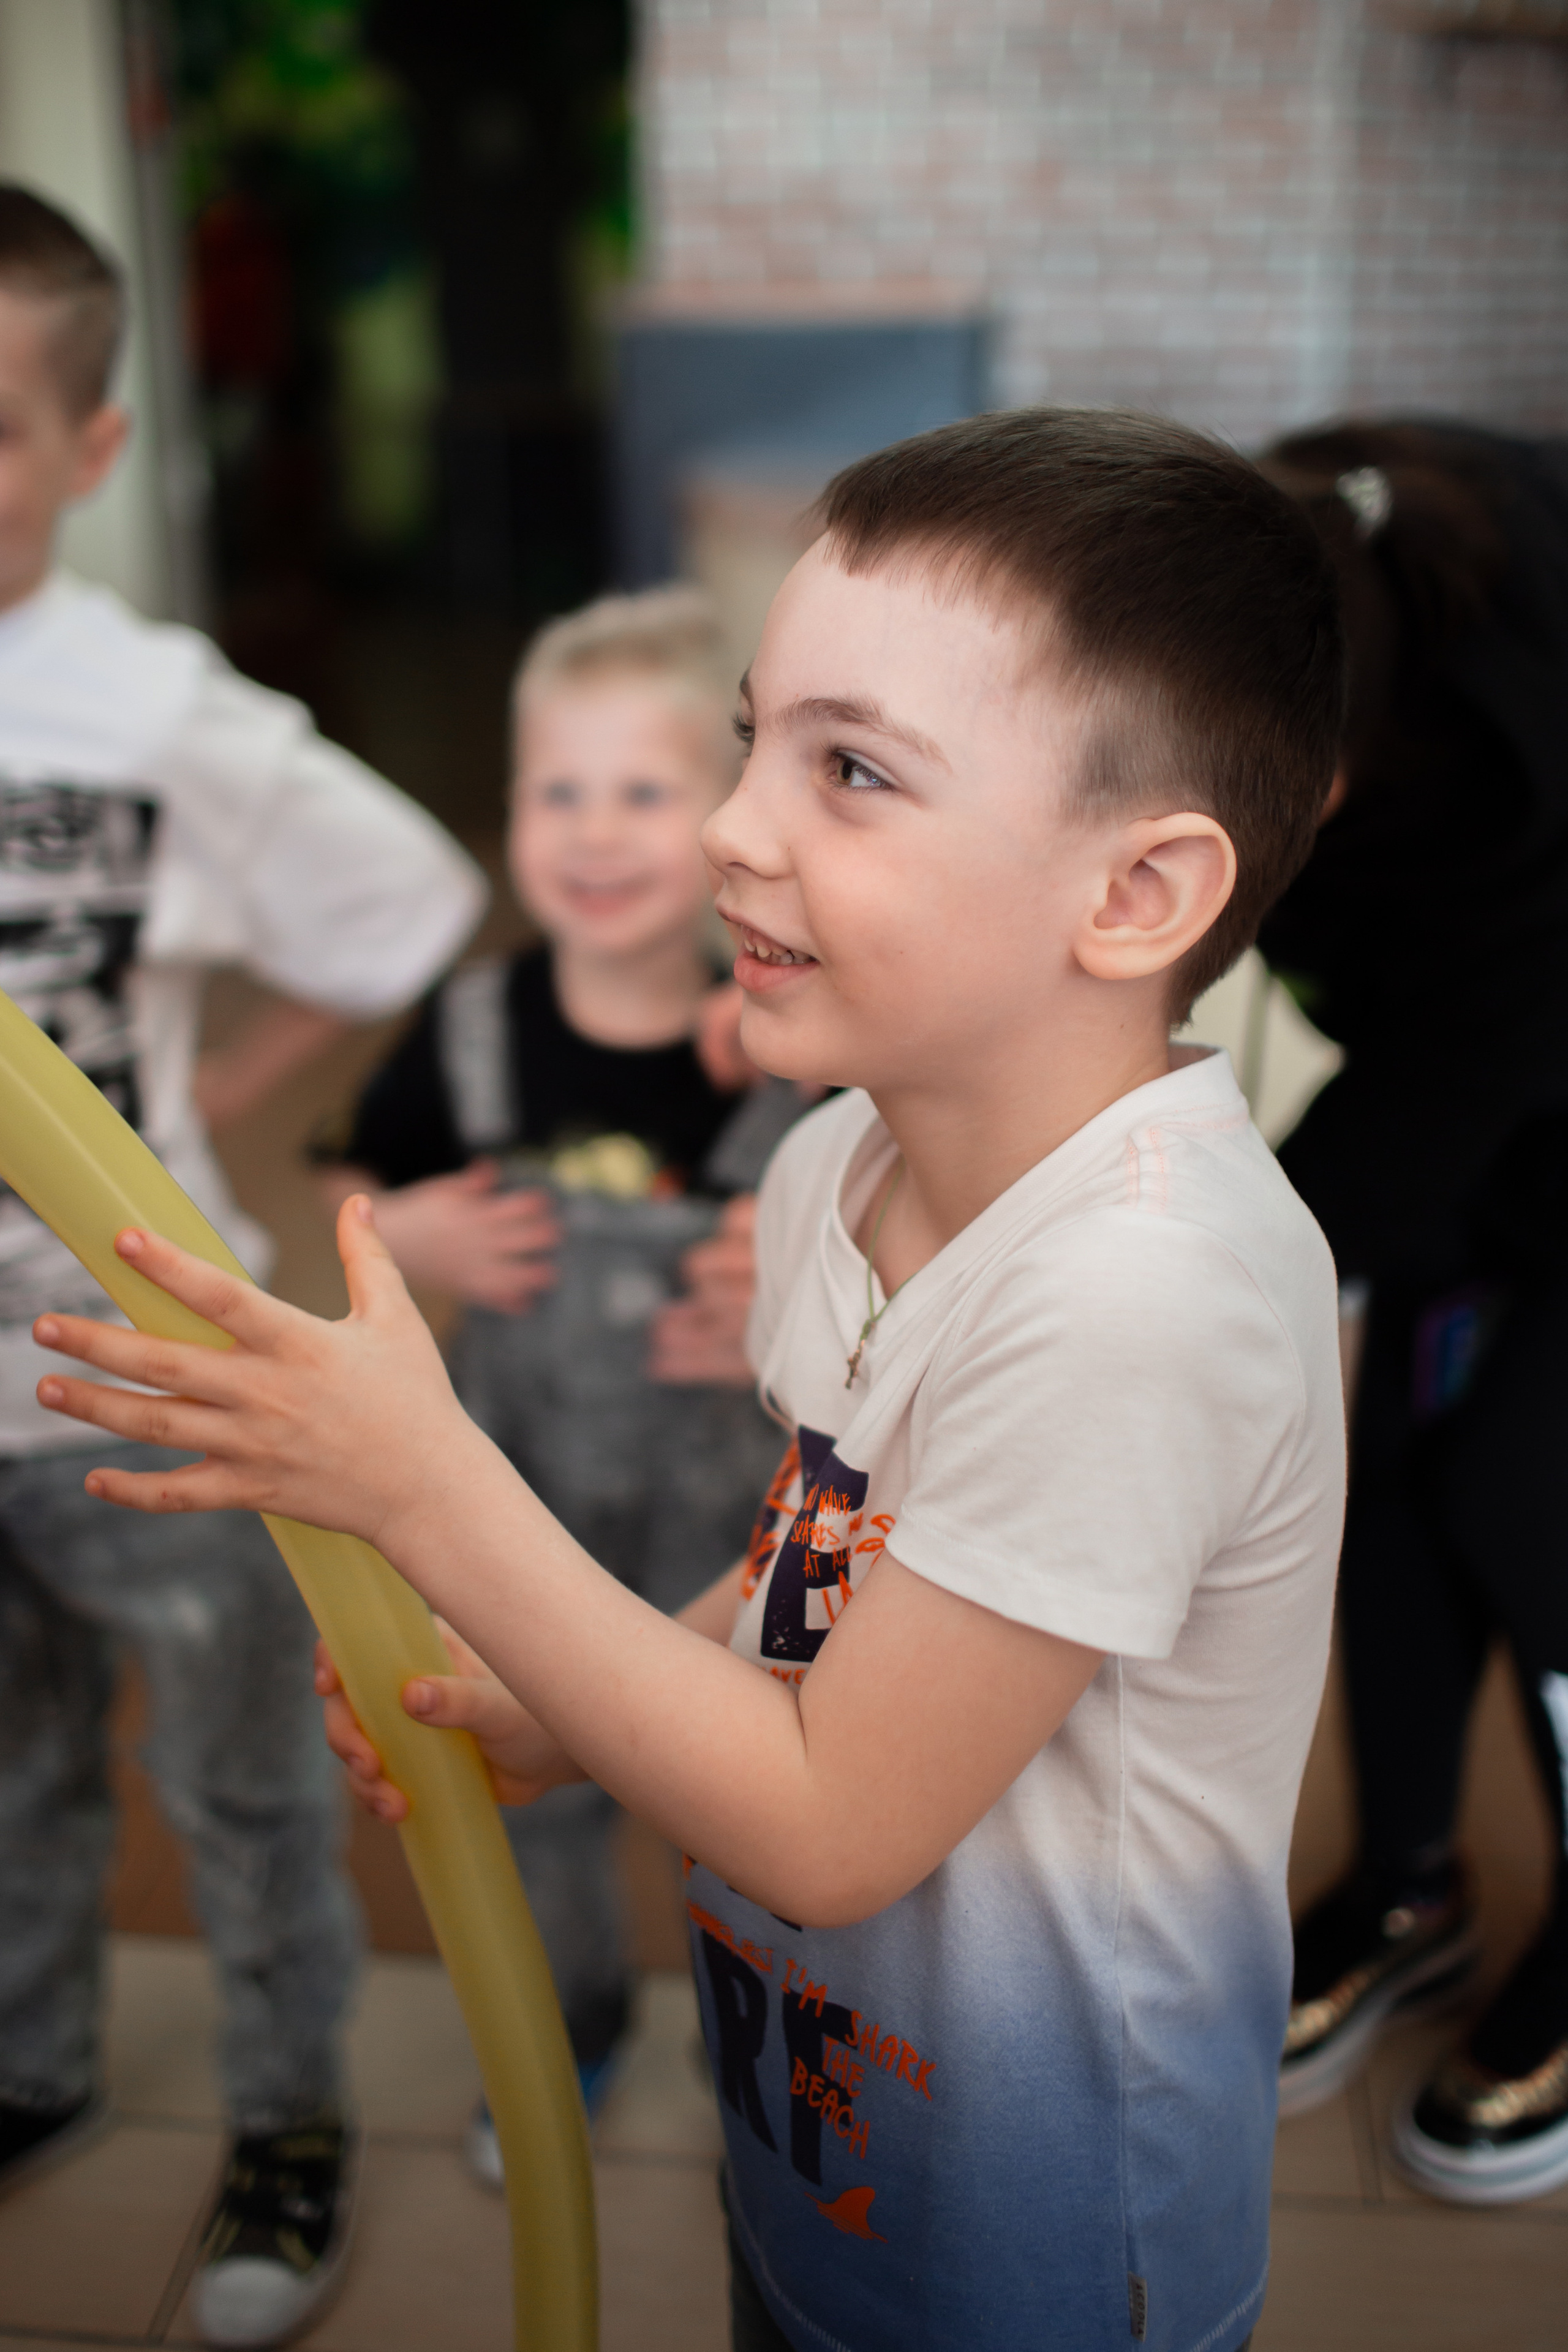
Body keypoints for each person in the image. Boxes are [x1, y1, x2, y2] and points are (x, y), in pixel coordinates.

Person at [34, 408, 1349, 2352]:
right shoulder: (838, 1159)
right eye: (754, 736)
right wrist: (583, 1698)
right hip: (823, 2129)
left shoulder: (1138, 1297)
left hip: (1047, 2249)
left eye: (852, 771)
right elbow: (812, 1572)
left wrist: (426, 1487)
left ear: (1136, 898)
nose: (737, 823)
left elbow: (829, 1823)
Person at [0, 184, 484, 2346]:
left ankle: (291, 2119)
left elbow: (407, 896)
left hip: (127, 1364)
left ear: (93, 450)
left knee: (240, 1774)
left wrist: (211, 1090)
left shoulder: (154, 707)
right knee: (11, 1755)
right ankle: (34, 2056)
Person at [320, 586, 806, 2173]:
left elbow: (893, 1263)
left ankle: (771, 2063)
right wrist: (410, 1236)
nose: (595, 833)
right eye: (557, 791)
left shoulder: (801, 1047)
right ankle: (573, 2021)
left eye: (645, 791)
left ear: (733, 817)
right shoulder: (465, 1032)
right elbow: (351, 1220)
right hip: (513, 1510)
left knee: (752, 1795)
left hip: (729, 1531)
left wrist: (777, 1292)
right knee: (539, 1793)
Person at [1256, 420, 1568, 2202]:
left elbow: (1366, 1163)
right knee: (1386, 1469)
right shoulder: (1305, 554)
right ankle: (1411, 1888)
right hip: (1481, 1086)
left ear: (1337, 788)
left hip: (1532, 1043)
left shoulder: (1519, 777)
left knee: (1531, 1499)